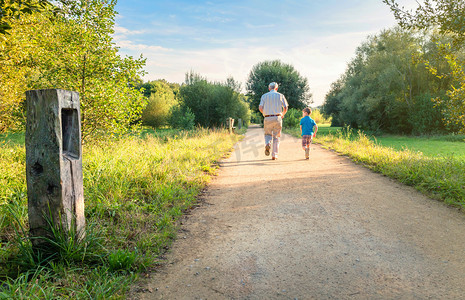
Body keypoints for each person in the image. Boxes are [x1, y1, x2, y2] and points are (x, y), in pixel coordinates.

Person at [259, 82, 288, 160]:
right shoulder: (280, 95)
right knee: (276, 137)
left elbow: (260, 108)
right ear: (276, 88)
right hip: (277, 117)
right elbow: (285, 107)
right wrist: (282, 114)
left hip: (267, 117)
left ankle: (268, 143)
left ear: (269, 88)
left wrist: (264, 113)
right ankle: (274, 155)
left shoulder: (264, 96)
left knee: (267, 134)